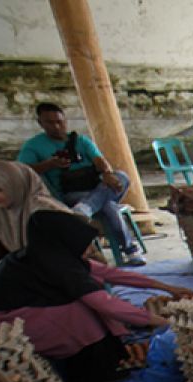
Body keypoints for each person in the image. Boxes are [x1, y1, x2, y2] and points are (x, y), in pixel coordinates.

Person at [0, 209, 190, 382]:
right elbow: (108, 306)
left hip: (21, 310)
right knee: (81, 313)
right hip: (7, 322)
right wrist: (165, 322)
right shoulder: (58, 266)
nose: (91, 249)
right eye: (86, 244)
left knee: (90, 304)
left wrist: (167, 287)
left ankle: (105, 356)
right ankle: (93, 371)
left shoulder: (47, 253)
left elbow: (112, 274)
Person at [17, 103, 144, 266]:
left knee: (122, 176)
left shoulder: (80, 140)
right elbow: (23, 169)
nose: (56, 126)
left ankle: (86, 208)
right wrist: (49, 164)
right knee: (108, 206)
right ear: (41, 123)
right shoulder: (33, 146)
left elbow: (100, 160)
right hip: (70, 192)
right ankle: (131, 250)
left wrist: (107, 174)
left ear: (65, 121)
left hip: (97, 186)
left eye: (59, 122)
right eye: (50, 123)